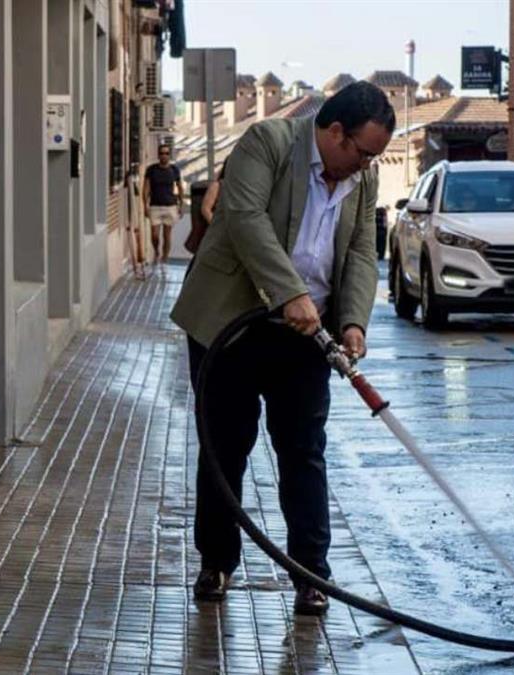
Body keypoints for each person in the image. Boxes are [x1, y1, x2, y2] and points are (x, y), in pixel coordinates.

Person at [171, 81, 393, 616]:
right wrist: (290, 292)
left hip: (306, 332)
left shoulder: (362, 178)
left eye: (373, 158)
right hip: (231, 322)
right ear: (335, 133)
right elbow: (245, 220)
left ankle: (311, 574)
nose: (366, 166)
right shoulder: (268, 143)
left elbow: (361, 251)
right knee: (226, 444)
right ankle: (217, 562)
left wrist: (353, 322)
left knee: (303, 449)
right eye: (363, 153)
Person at [143, 146, 184, 271]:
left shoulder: (174, 170)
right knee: (154, 235)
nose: (164, 155)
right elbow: (146, 188)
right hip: (155, 206)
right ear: (158, 155)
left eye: (166, 153)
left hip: (170, 206)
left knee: (167, 235)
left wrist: (181, 204)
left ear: (169, 155)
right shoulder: (151, 169)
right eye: (162, 153)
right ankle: (156, 251)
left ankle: (165, 258)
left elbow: (180, 187)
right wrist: (145, 205)